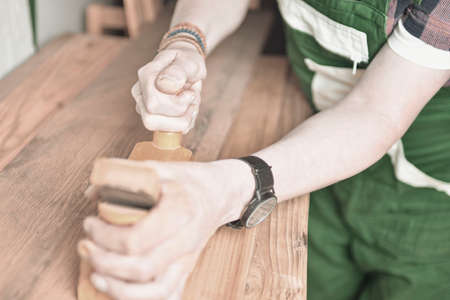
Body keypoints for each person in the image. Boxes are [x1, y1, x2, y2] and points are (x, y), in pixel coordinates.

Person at [78, 0, 450, 299]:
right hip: (310, 166)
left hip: (429, 208)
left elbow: (376, 111)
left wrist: (222, 191)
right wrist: (186, 41)